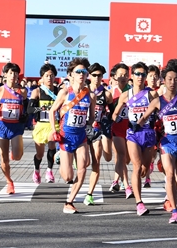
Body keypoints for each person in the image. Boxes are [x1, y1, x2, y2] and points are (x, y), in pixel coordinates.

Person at [135, 60, 177, 223]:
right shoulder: (157, 101)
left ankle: (172, 198)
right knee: (169, 174)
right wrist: (136, 127)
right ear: (164, 80)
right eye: (169, 79)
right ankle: (175, 211)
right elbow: (144, 117)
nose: (172, 82)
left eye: (176, 79)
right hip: (166, 142)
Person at [49, 57, 95, 214]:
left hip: (81, 136)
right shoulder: (64, 92)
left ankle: (69, 201)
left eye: (84, 72)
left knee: (82, 168)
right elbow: (52, 111)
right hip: (66, 136)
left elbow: (92, 117)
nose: (82, 74)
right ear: (71, 75)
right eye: (78, 72)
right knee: (68, 176)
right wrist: (54, 129)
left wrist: (91, 124)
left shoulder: (90, 95)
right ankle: (59, 154)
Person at [112, 61, 157, 216]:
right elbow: (115, 113)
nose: (140, 77)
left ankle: (145, 171)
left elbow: (160, 110)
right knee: (136, 166)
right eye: (137, 74)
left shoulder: (151, 94)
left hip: (148, 134)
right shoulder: (126, 95)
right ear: (132, 76)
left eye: (143, 74)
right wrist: (116, 118)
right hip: (133, 134)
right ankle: (139, 202)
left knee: (144, 168)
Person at [0, 63, 28, 194]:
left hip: (16, 126)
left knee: (17, 156)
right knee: (3, 159)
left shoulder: (22, 91)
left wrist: (25, 115)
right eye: (10, 73)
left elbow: (28, 108)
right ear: (5, 74)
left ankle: (14, 152)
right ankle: (9, 181)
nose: (13, 76)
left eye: (15, 73)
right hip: (2, 126)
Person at [82, 63, 114, 205]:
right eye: (94, 75)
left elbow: (112, 113)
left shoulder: (107, 94)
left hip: (97, 131)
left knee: (98, 161)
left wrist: (106, 119)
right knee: (84, 162)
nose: (96, 78)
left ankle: (90, 194)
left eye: (99, 75)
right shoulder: (83, 92)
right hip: (82, 131)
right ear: (89, 76)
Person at [27, 63, 60, 184]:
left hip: (53, 125)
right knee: (40, 154)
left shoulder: (59, 91)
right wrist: (41, 109)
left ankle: (49, 171)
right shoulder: (37, 92)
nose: (49, 78)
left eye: (52, 75)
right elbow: (29, 110)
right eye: (47, 75)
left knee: (52, 147)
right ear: (42, 77)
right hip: (41, 125)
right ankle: (36, 170)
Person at [108, 63, 132, 196]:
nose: (123, 77)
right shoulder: (112, 92)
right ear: (115, 77)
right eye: (120, 75)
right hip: (117, 127)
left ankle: (118, 180)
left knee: (126, 159)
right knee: (120, 156)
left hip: (130, 128)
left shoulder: (133, 91)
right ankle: (122, 183)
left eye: (125, 75)